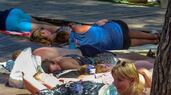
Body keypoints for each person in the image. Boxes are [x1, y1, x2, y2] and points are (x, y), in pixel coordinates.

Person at [30, 19, 159, 50]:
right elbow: (87, 28)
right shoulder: (68, 29)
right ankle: (153, 36)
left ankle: (152, 42)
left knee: (127, 42)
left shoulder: (57, 48)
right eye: (43, 31)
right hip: (111, 32)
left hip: (114, 45)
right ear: (43, 34)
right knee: (121, 30)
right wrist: (99, 22)